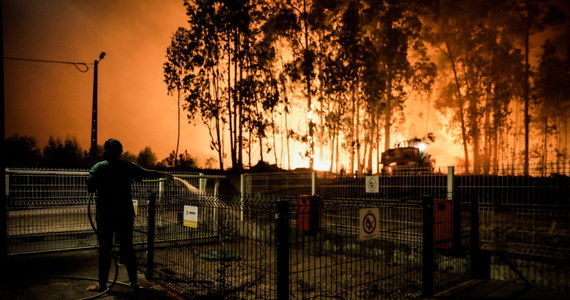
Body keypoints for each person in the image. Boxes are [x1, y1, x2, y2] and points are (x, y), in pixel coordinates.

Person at [86, 138, 172, 294]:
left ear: (105, 151)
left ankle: (103, 285)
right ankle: (133, 284)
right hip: (124, 215)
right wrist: (165, 175)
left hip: (105, 216)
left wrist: (101, 184)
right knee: (128, 249)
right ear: (121, 152)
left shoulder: (98, 168)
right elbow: (147, 174)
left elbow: (90, 187)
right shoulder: (127, 167)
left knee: (105, 250)